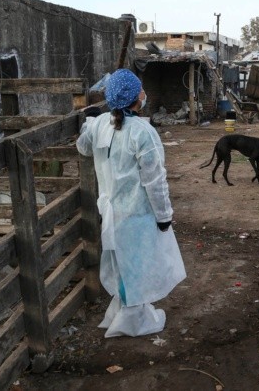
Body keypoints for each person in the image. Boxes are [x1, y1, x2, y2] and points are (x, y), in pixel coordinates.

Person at [76, 68, 186, 338]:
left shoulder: (101, 123)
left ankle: (126, 308)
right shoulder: (142, 132)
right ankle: (133, 319)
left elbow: (83, 147)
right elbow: (155, 179)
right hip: (137, 212)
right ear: (136, 99)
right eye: (141, 90)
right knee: (136, 263)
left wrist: (88, 122)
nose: (144, 94)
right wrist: (164, 215)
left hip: (111, 211)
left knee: (122, 262)